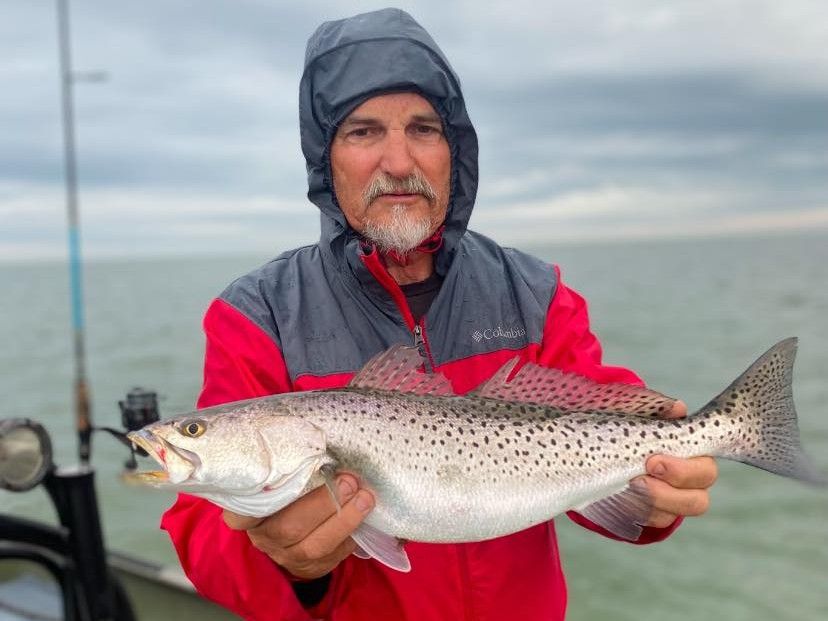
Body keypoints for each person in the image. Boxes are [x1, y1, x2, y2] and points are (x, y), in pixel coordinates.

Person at [161, 8, 717, 621]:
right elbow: (205, 539)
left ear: (457, 150)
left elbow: (611, 456)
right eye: (363, 131)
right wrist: (288, 564)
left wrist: (656, 499)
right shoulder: (257, 313)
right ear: (325, 157)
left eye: (424, 129)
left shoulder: (535, 292)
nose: (399, 162)